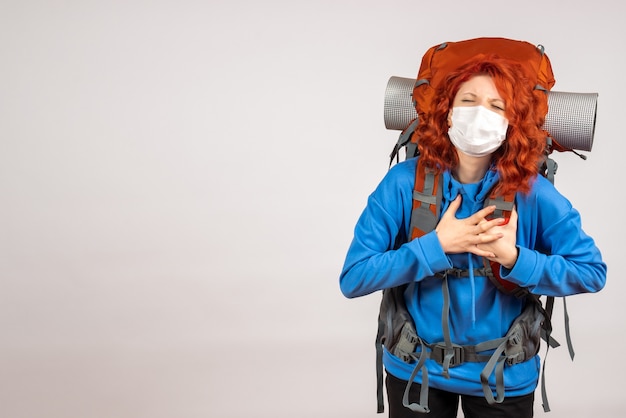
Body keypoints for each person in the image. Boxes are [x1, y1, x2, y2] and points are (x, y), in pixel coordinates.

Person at [339, 55, 607, 418]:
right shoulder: (404, 183)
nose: (480, 113)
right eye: (468, 101)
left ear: (510, 122)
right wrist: (435, 247)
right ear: (448, 112)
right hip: (416, 372)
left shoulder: (533, 193)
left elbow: (591, 271)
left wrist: (513, 259)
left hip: (502, 376)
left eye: (496, 105)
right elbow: (354, 277)